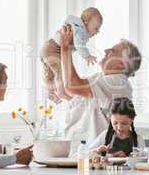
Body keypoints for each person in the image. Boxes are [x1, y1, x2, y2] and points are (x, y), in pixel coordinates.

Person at [58, 26, 142, 154]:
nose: (106, 50)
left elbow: (72, 85)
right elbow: (68, 91)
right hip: (78, 153)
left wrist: (65, 48)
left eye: (112, 51)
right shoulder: (100, 78)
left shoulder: (118, 83)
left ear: (121, 64)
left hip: (94, 157)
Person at [41, 7, 103, 104]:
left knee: (49, 74)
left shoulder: (74, 25)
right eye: (96, 28)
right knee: (59, 73)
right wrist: (87, 56)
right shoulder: (80, 31)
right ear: (86, 23)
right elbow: (79, 44)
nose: (97, 32)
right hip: (54, 50)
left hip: (47, 47)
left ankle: (49, 91)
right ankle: (61, 92)